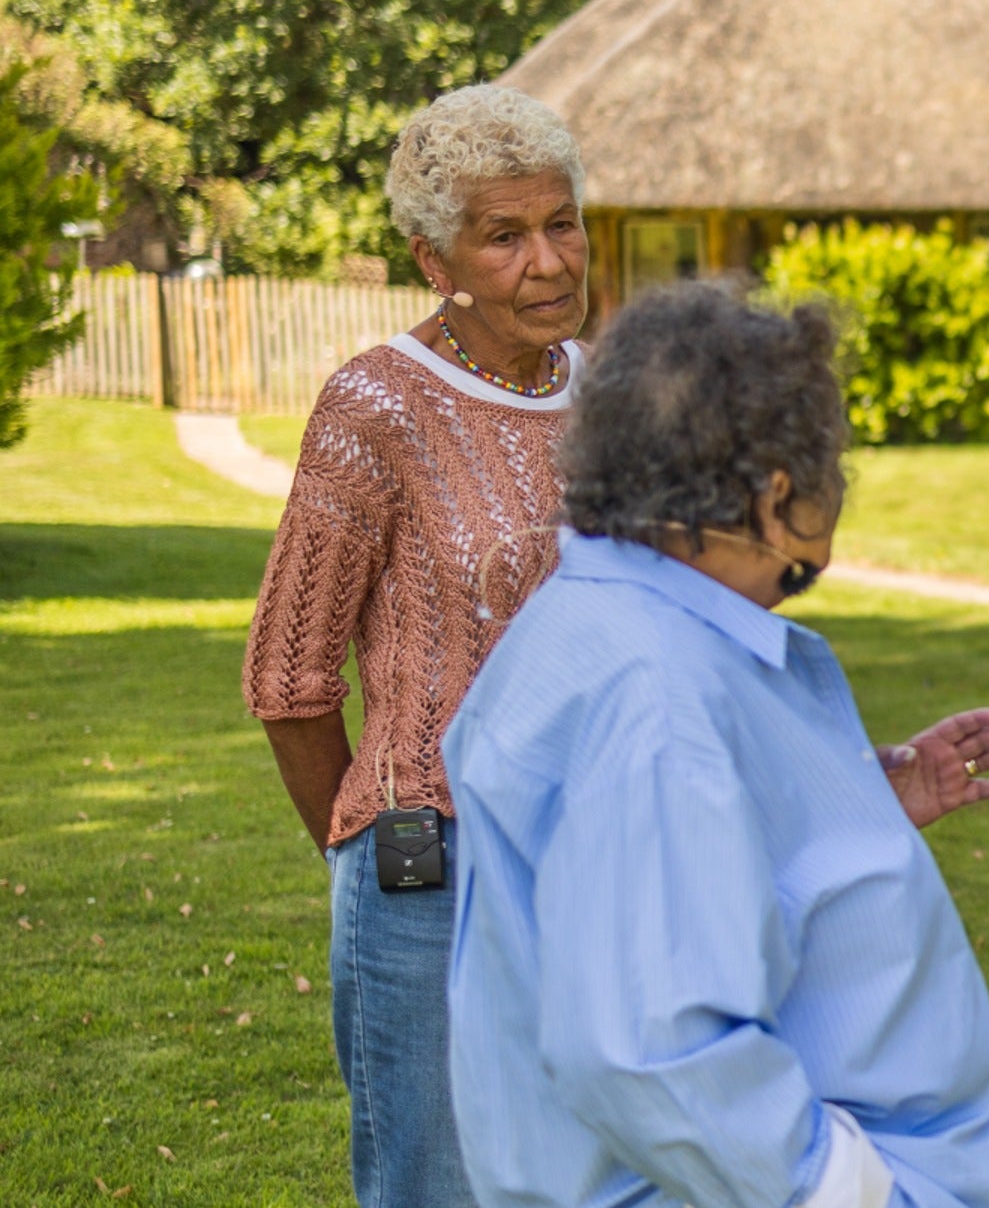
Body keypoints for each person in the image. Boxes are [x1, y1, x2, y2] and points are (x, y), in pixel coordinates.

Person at [445, 281, 989, 1208]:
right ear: (777, 495)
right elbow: (650, 1052)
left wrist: (853, 801)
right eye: (835, 462)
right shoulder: (655, 699)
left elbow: (668, 889)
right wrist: (857, 1191)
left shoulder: (604, 623)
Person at [243, 83, 594, 1208]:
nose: (548, 262)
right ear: (434, 259)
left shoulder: (614, 394)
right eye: (505, 236)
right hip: (429, 874)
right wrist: (367, 851)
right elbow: (290, 677)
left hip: (600, 862)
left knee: (585, 1172)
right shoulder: (377, 408)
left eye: (562, 222)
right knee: (431, 1185)